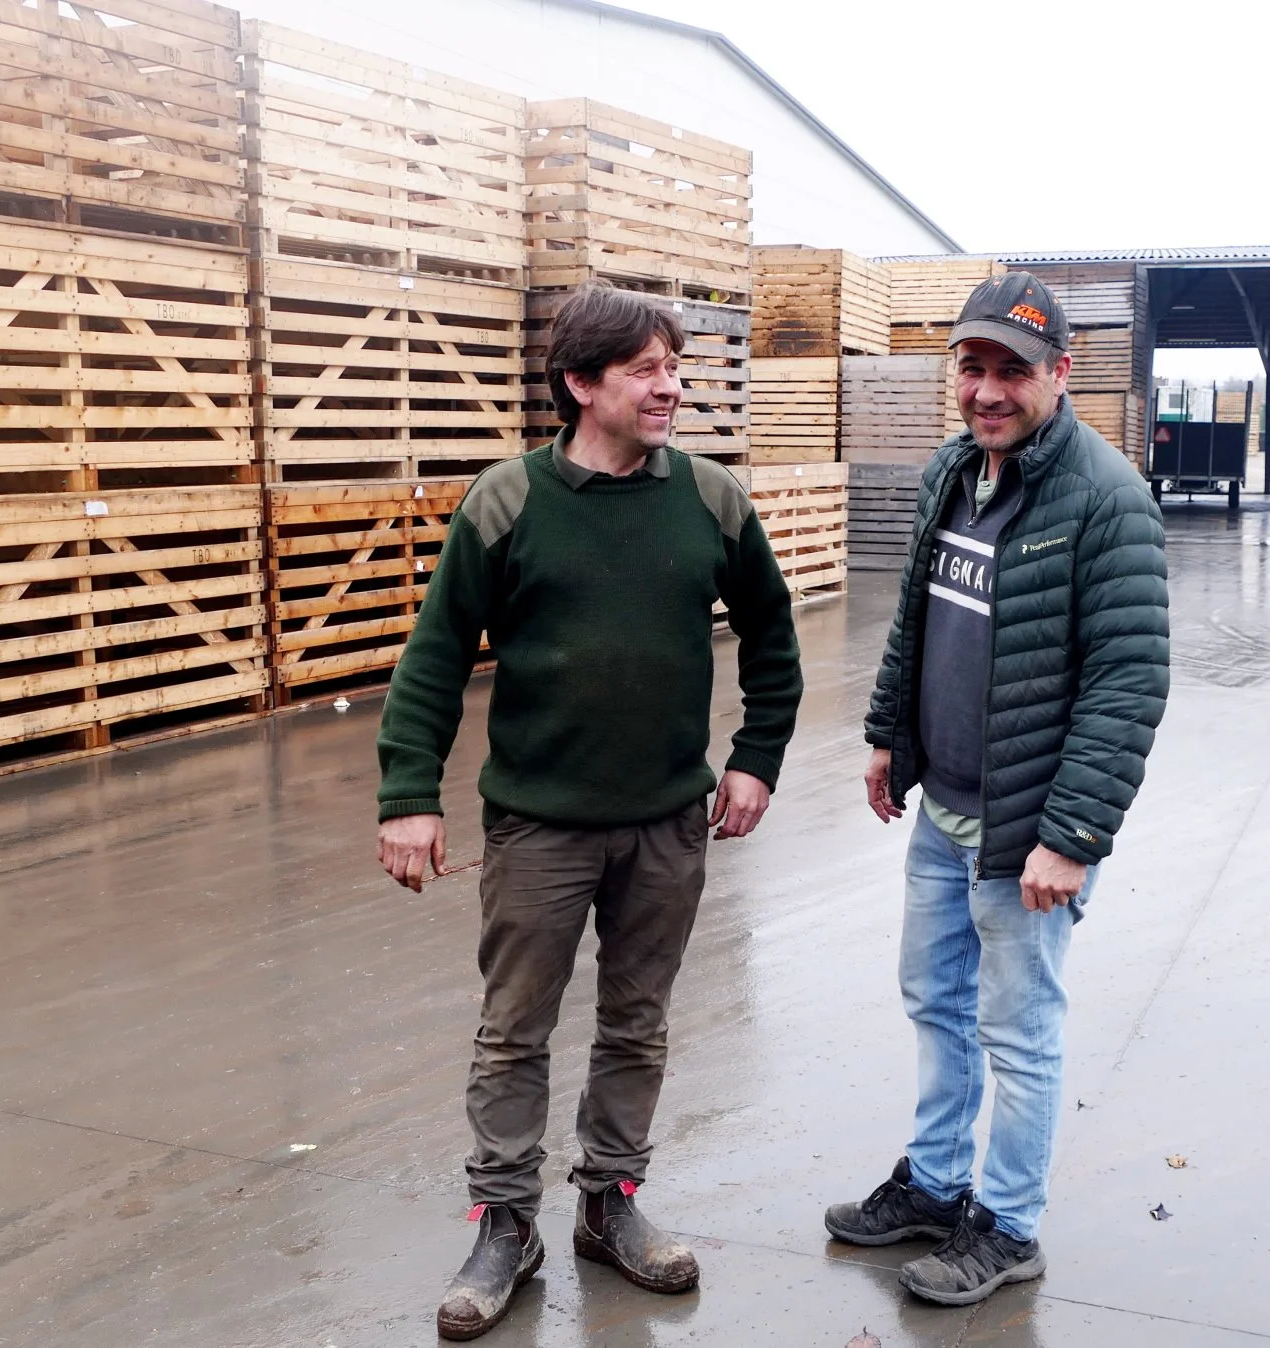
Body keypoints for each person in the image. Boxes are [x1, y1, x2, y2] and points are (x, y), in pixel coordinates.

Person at [373, 285, 803, 1340]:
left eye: (675, 366)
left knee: (637, 1020)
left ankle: (609, 1204)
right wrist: (407, 793)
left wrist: (755, 758)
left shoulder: (709, 500)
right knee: (513, 1031)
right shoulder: (507, 503)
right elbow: (434, 657)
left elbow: (774, 634)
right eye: (648, 370)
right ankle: (505, 1222)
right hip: (538, 825)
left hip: (666, 821)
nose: (672, 387)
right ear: (580, 384)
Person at [823, 272, 1170, 1306]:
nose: (986, 391)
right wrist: (891, 734)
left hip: (1028, 826)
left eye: (1011, 371)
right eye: (970, 368)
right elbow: (917, 622)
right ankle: (934, 1185)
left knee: (1018, 1034)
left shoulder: (1106, 500)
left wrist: (1071, 834)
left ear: (1060, 374)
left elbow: (1129, 680)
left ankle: (1009, 1222)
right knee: (935, 1000)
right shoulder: (953, 472)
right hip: (945, 809)